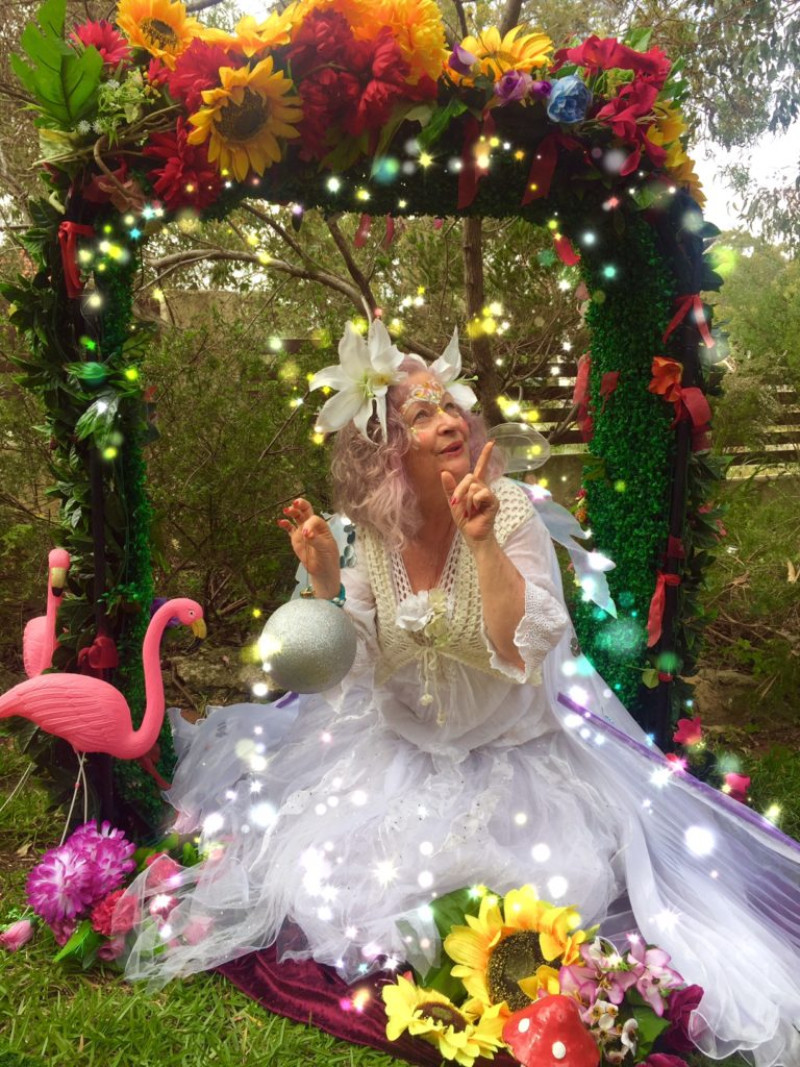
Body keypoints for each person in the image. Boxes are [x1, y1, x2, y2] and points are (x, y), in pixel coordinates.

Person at [122, 321, 800, 1067]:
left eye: (448, 406)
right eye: (420, 413)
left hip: (512, 764)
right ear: (382, 446)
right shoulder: (370, 534)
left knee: (540, 901)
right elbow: (352, 664)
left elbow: (521, 645)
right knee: (321, 885)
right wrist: (321, 582)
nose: (447, 420)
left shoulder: (507, 511)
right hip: (404, 756)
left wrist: (480, 543)